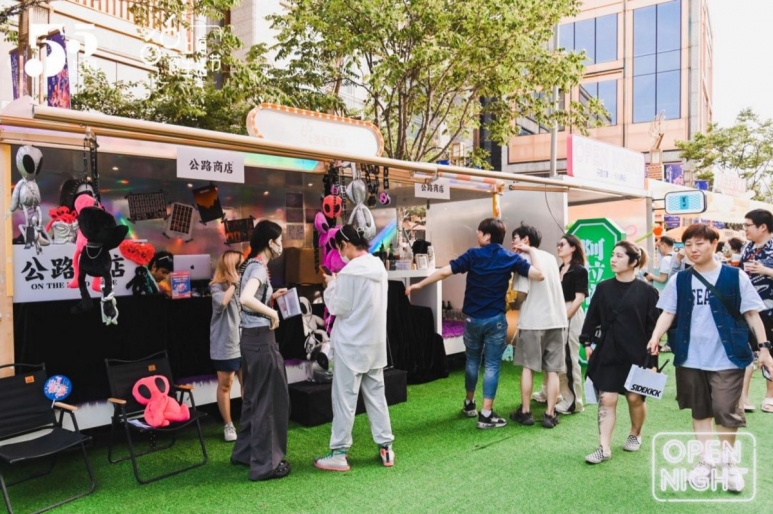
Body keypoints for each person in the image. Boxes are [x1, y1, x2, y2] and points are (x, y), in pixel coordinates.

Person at [647, 224, 773, 492]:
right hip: (690, 356)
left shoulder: (735, 276)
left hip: (728, 357)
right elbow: (668, 312)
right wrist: (656, 336)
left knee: (726, 411)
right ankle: (706, 461)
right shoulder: (679, 280)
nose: (693, 250)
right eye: (688, 245)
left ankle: (728, 463)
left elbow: (752, 314)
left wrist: (764, 348)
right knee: (700, 409)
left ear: (715, 244)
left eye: (699, 243)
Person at [405, 218, 544, 429]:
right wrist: (531, 250)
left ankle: (469, 403)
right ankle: (486, 414)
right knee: (492, 365)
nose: (477, 235)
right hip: (496, 320)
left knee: (472, 361)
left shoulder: (473, 255)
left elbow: (444, 272)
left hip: (472, 319)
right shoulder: (510, 257)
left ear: (487, 235)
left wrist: (419, 285)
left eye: (479, 232)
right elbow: (539, 275)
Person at [314, 225, 394, 471]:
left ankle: (339, 453)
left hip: (351, 346)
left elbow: (338, 307)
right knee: (376, 397)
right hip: (375, 344)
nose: (340, 253)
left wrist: (331, 284)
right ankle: (386, 447)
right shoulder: (378, 267)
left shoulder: (349, 273)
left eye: (339, 248)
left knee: (344, 400)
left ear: (345, 245)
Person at [581, 241, 659, 464]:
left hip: (638, 353)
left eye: (619, 256)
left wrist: (653, 361)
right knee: (607, 398)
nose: (613, 260)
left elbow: (654, 329)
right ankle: (603, 447)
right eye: (612, 255)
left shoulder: (648, 292)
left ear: (633, 262)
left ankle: (635, 433)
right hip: (608, 351)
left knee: (635, 398)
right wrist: (587, 343)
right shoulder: (603, 288)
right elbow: (592, 317)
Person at [231, 220, 290, 481]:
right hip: (261, 341)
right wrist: (272, 312)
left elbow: (248, 299)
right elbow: (246, 298)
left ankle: (244, 453)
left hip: (250, 340)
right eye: (280, 240)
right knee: (269, 401)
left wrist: (270, 299)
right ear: (270, 242)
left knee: (253, 399)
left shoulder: (251, 264)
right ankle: (266, 465)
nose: (282, 245)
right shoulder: (257, 267)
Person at [510, 223, 568, 429]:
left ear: (525, 240)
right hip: (557, 319)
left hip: (533, 321)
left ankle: (525, 412)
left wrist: (512, 304)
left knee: (528, 368)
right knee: (553, 370)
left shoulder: (522, 260)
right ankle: (550, 414)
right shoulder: (551, 258)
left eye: (515, 238)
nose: (512, 243)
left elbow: (522, 293)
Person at [739, 210, 773, 413]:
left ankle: (770, 396)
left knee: (770, 352)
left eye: (747, 225)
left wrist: (765, 271)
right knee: (745, 351)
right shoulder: (748, 247)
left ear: (763, 226)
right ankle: (743, 397)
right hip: (748, 308)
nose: (745, 229)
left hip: (770, 309)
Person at [209, 250, 245, 442]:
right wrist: (234, 284)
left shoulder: (243, 285)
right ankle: (228, 424)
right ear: (232, 267)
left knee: (247, 382)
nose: (242, 269)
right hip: (225, 343)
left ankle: (249, 420)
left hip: (244, 340)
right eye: (240, 265)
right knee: (226, 384)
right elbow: (222, 302)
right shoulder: (216, 286)